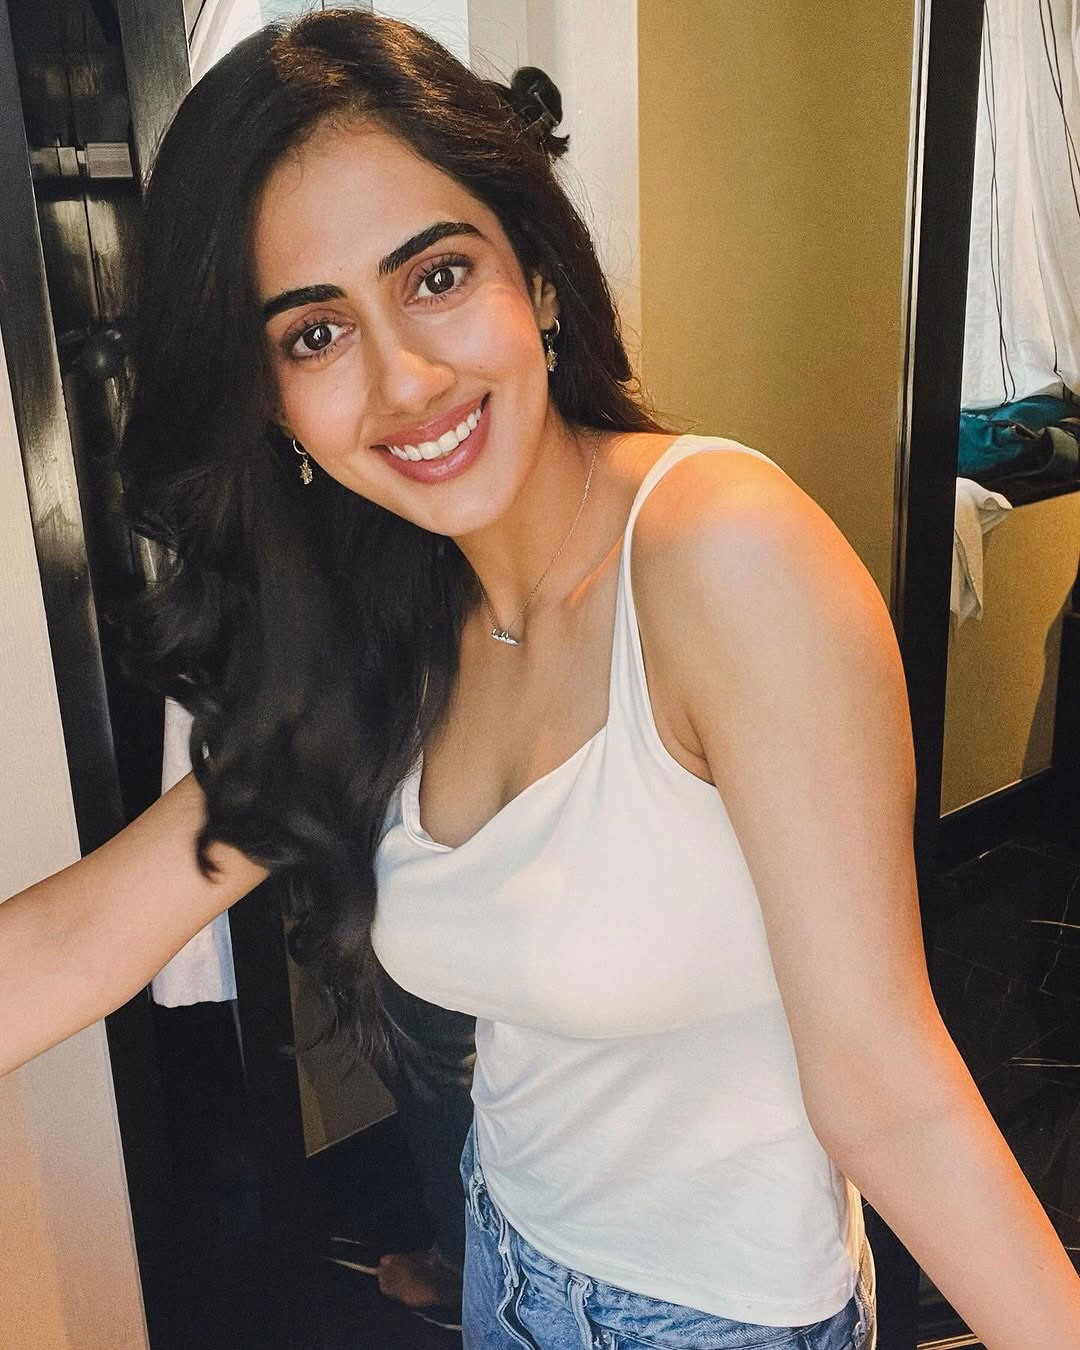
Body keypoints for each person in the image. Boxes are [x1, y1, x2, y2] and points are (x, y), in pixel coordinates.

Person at [2, 11, 1079, 1348]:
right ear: (271, 402)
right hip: (507, 1251)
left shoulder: (719, 558)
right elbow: (84, 937)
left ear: (540, 280)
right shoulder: (384, 622)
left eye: (437, 275)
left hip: (716, 1318)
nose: (405, 380)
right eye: (315, 334)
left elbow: (889, 1093)